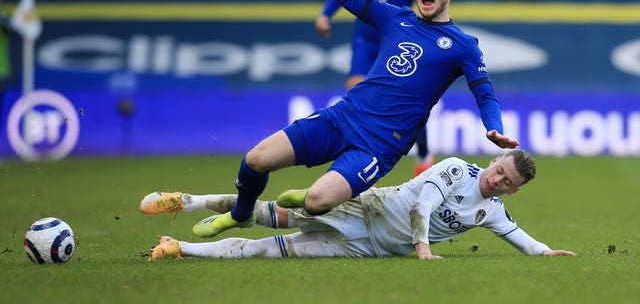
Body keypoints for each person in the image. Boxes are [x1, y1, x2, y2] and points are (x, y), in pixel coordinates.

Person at [156, 0, 519, 240]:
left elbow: (484, 93)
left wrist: (495, 127)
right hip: (342, 116)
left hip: (380, 143)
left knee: (315, 202)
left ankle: (321, 192)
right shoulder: (395, 16)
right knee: (255, 160)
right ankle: (241, 213)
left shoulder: (462, 44)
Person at [142, 149, 576, 260]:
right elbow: (422, 205)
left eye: (507, 182)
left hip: (368, 248)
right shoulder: (458, 169)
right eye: (501, 169)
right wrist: (423, 247)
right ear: (496, 159)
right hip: (367, 208)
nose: (498, 178)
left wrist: (545, 252)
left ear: (512, 190)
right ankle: (190, 200)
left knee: (271, 249)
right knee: (264, 213)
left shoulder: (493, 210)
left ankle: (179, 248)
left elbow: (520, 238)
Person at [315, 0, 433, 174]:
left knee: (407, 101)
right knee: (357, 95)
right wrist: (325, 15)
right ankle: (361, 159)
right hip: (365, 40)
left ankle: (424, 153)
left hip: (397, 41)